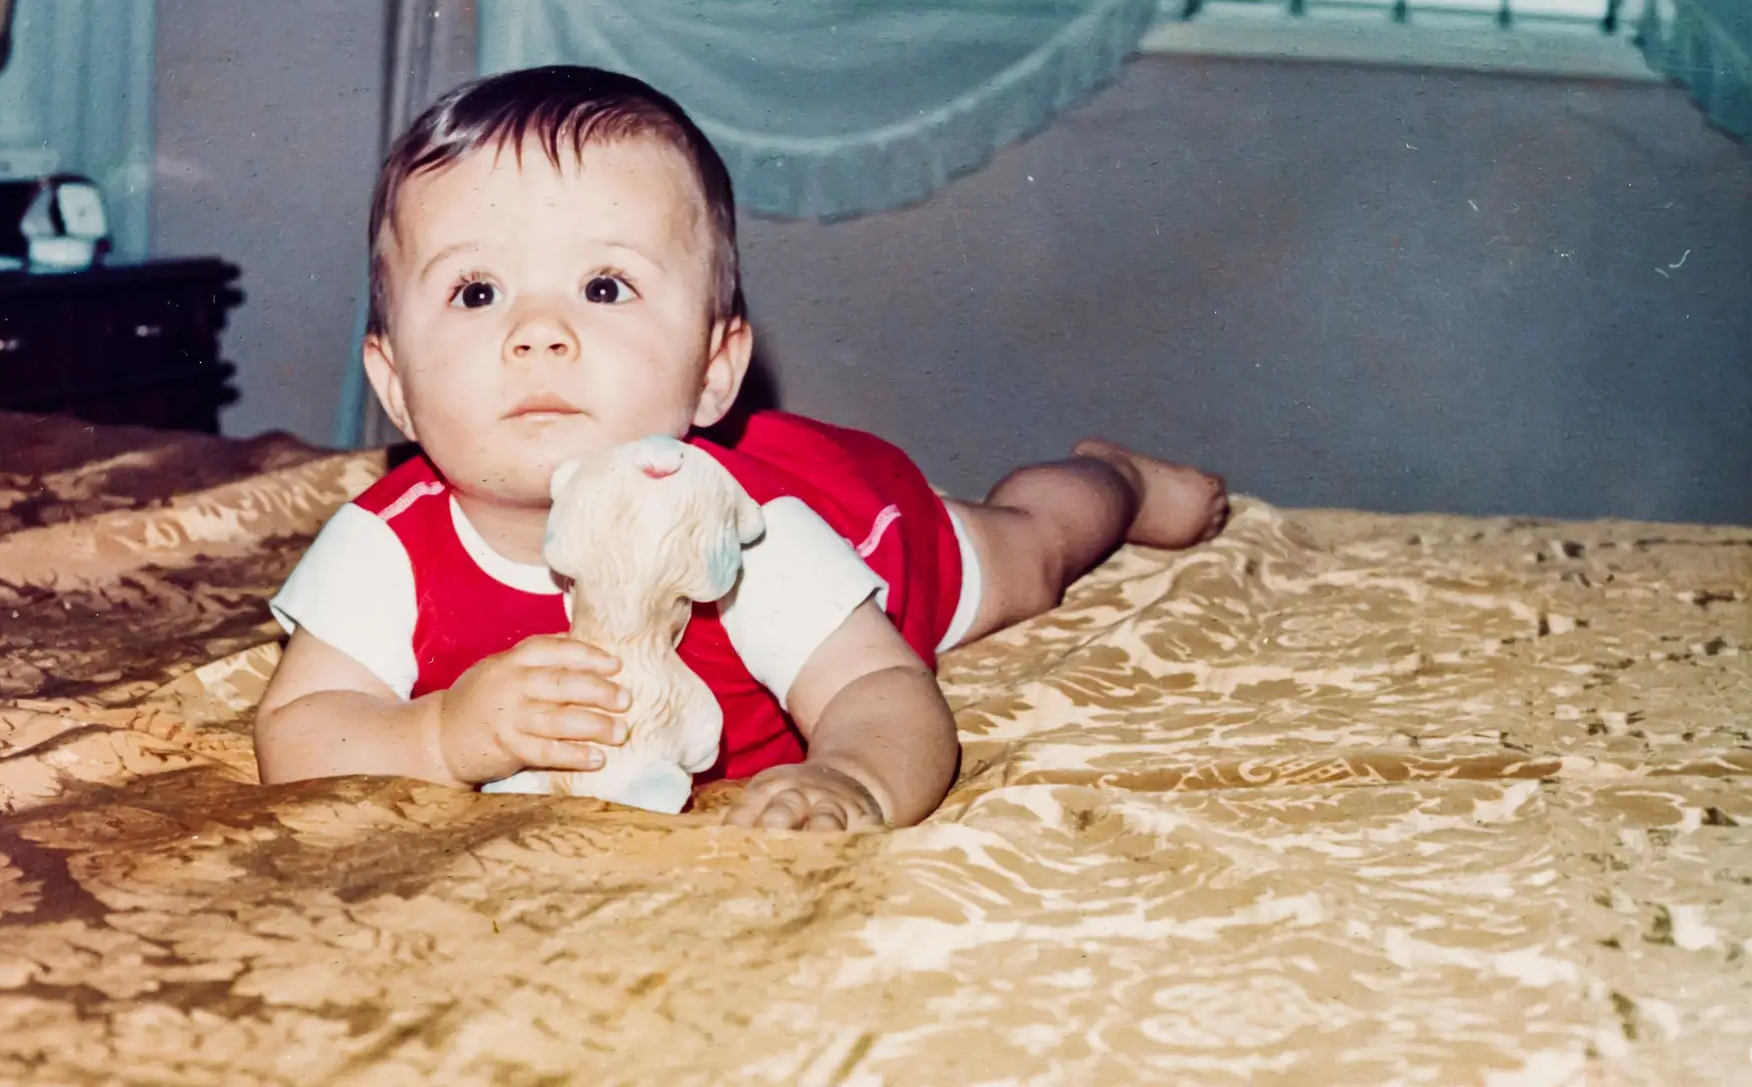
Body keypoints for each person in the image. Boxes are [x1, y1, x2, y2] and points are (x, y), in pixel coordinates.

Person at [256, 65, 1228, 831]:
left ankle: (1117, 478)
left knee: (1029, 550)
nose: (538, 332)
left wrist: (854, 777)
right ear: (394, 385)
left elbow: (878, 687)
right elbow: (298, 728)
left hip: (858, 516)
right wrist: (436, 732)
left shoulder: (759, 538)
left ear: (715, 369)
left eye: (603, 286)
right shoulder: (384, 542)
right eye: (477, 292)